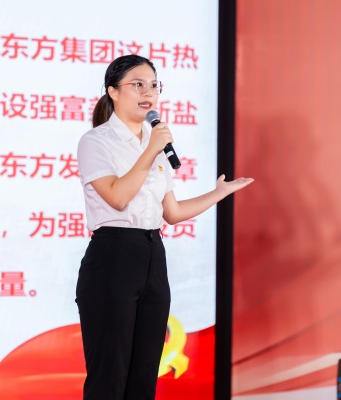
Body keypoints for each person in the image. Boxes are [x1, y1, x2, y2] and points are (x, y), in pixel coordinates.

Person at [75, 54, 253, 400]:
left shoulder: (154, 143)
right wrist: (151, 149)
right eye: (137, 85)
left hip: (153, 257)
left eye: (154, 85)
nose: (148, 92)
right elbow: (117, 197)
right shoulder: (96, 141)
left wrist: (219, 193)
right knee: (109, 378)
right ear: (113, 91)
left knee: (144, 379)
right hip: (112, 257)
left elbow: (171, 212)